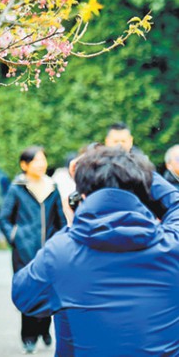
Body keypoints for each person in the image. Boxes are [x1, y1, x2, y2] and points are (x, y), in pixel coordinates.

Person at [12, 145, 179, 356]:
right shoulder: (173, 245)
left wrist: (73, 227)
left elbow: (24, 297)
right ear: (144, 192)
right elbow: (176, 204)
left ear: (82, 194)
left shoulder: (61, 252)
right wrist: (134, 170)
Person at [0, 146, 64, 354]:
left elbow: (61, 218)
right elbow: (4, 218)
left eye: (43, 160)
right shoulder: (17, 187)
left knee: (48, 291)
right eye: (36, 161)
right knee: (28, 292)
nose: (41, 164)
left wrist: (61, 241)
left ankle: (44, 330)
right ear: (24, 165)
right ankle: (28, 335)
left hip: (49, 251)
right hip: (24, 252)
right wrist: (15, 237)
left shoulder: (52, 187)